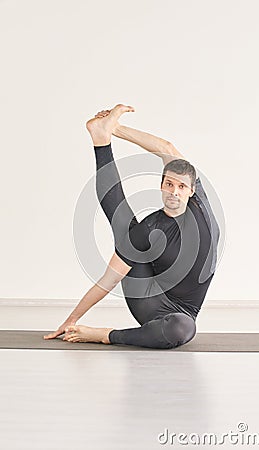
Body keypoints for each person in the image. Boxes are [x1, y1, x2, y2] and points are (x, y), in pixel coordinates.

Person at [44, 104, 220, 349]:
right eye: (169, 184)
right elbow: (109, 280)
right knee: (125, 228)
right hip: (149, 301)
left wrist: (117, 128)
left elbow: (166, 148)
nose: (174, 191)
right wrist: (72, 319)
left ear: (192, 190)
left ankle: (103, 133)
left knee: (183, 328)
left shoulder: (200, 205)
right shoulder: (148, 228)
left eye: (181, 187)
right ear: (161, 185)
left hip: (183, 313)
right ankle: (101, 143)